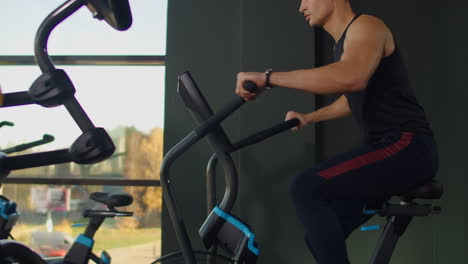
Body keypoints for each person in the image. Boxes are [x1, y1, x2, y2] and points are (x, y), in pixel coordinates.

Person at [235, 0, 439, 263]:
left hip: (407, 146)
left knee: (305, 187)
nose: (301, 7)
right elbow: (351, 98)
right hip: (391, 148)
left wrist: (269, 78)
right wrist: (308, 118)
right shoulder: (344, 44)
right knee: (320, 234)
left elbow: (352, 77)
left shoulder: (367, 26)